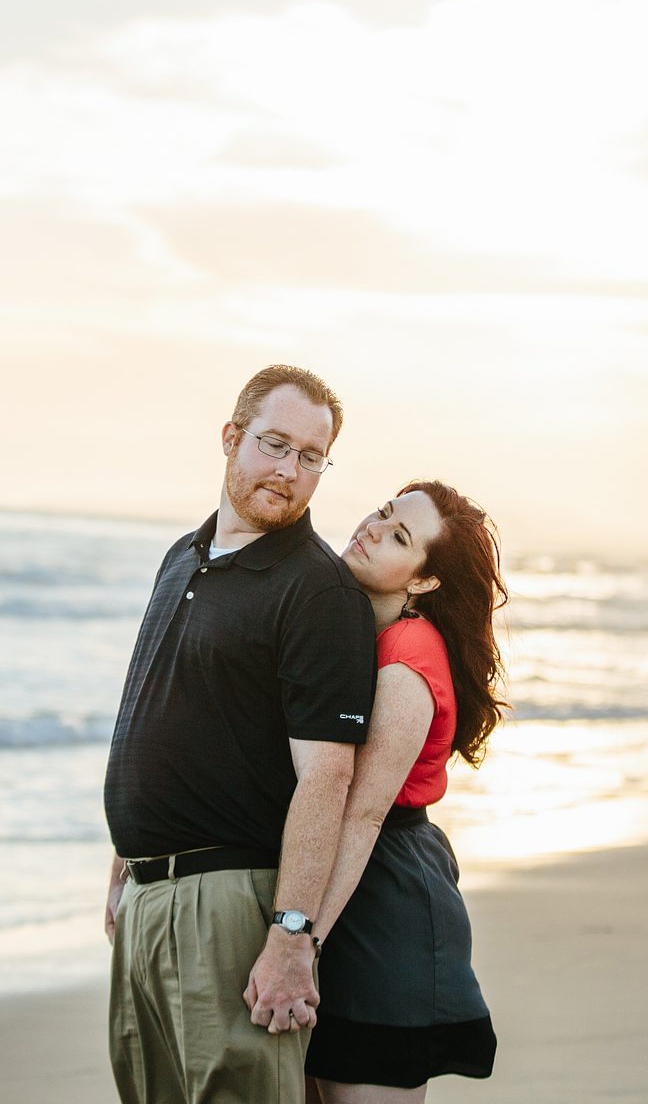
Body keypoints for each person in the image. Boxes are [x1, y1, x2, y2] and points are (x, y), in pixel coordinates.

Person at [103, 365, 378, 1104]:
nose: (289, 470)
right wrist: (125, 857)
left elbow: (329, 778)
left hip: (231, 908)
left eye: (310, 456)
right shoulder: (180, 558)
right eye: (274, 444)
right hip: (148, 898)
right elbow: (161, 707)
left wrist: (291, 937)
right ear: (231, 437)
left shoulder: (317, 591)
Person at [305, 480, 506, 1101]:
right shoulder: (355, 627)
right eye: (383, 513)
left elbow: (362, 815)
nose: (372, 527)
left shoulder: (407, 655)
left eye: (399, 536)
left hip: (383, 894)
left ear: (423, 581)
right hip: (343, 877)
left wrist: (300, 941)